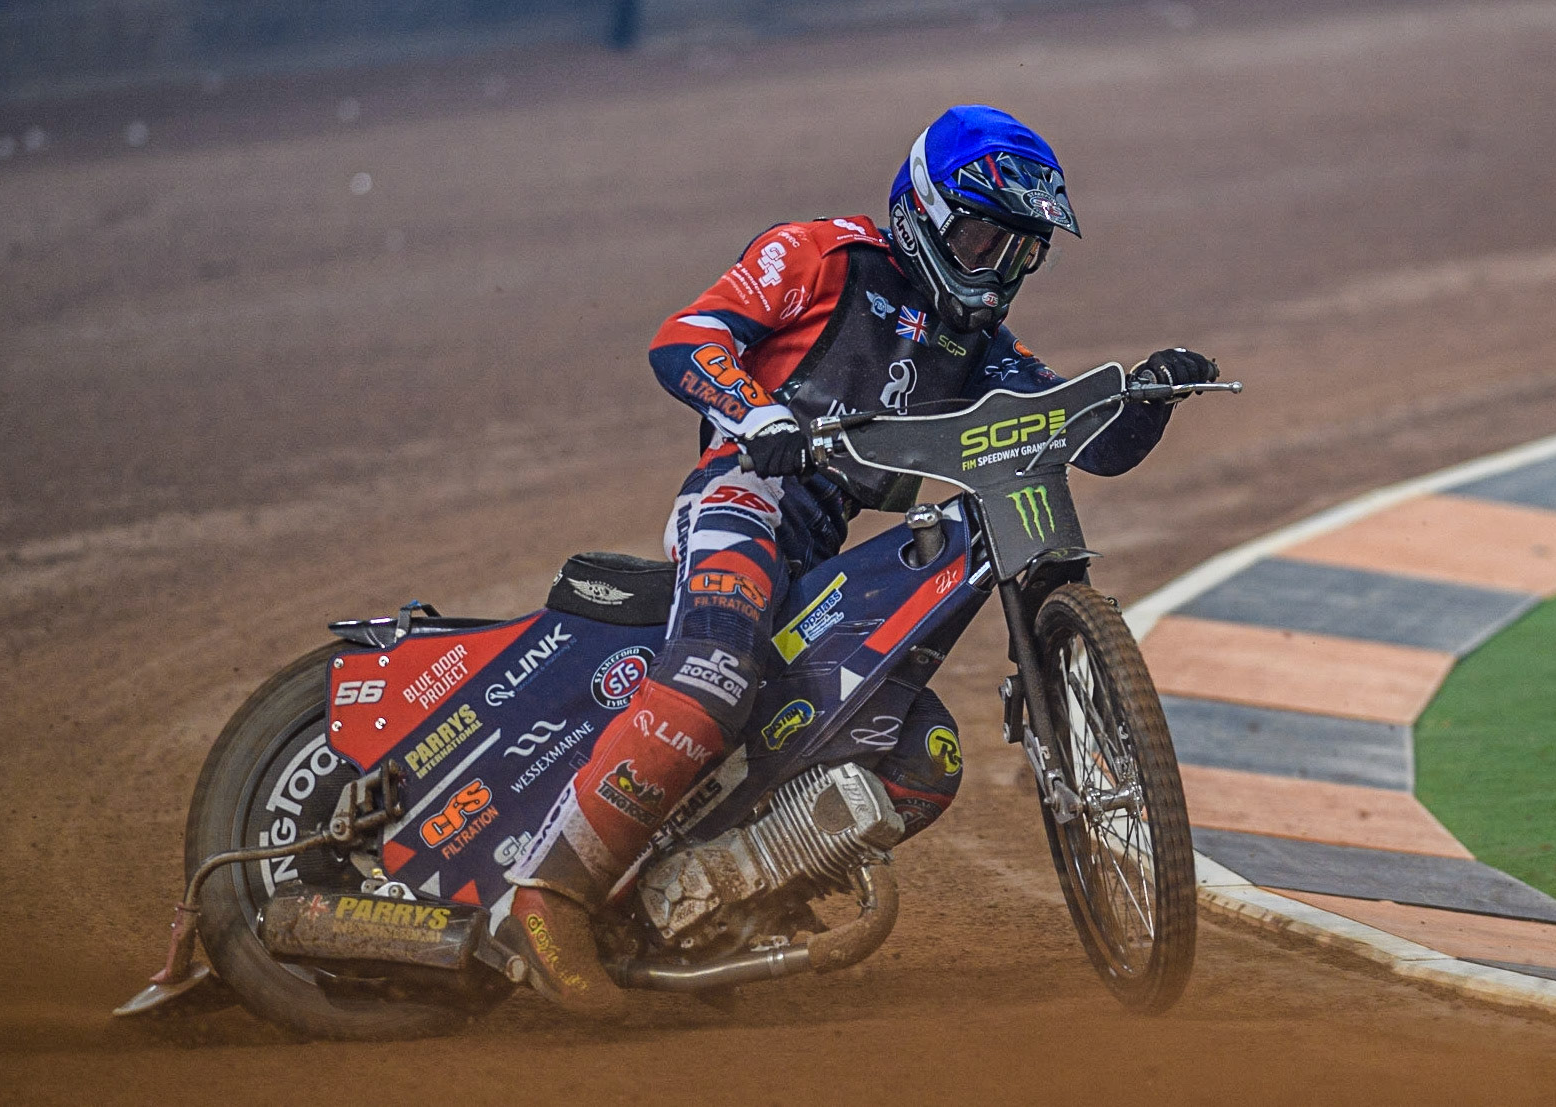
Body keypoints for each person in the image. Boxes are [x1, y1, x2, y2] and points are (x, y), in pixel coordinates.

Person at [499, 104, 1217, 1017]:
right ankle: (546, 896)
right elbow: (684, 337)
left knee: (926, 757)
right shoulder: (822, 254)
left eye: (1018, 248)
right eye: (980, 234)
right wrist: (757, 414)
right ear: (919, 211)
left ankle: (705, 903)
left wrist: (1146, 394)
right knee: (717, 674)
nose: (995, 267)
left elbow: (1085, 441)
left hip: (822, 550)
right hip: (739, 499)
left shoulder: (983, 348)